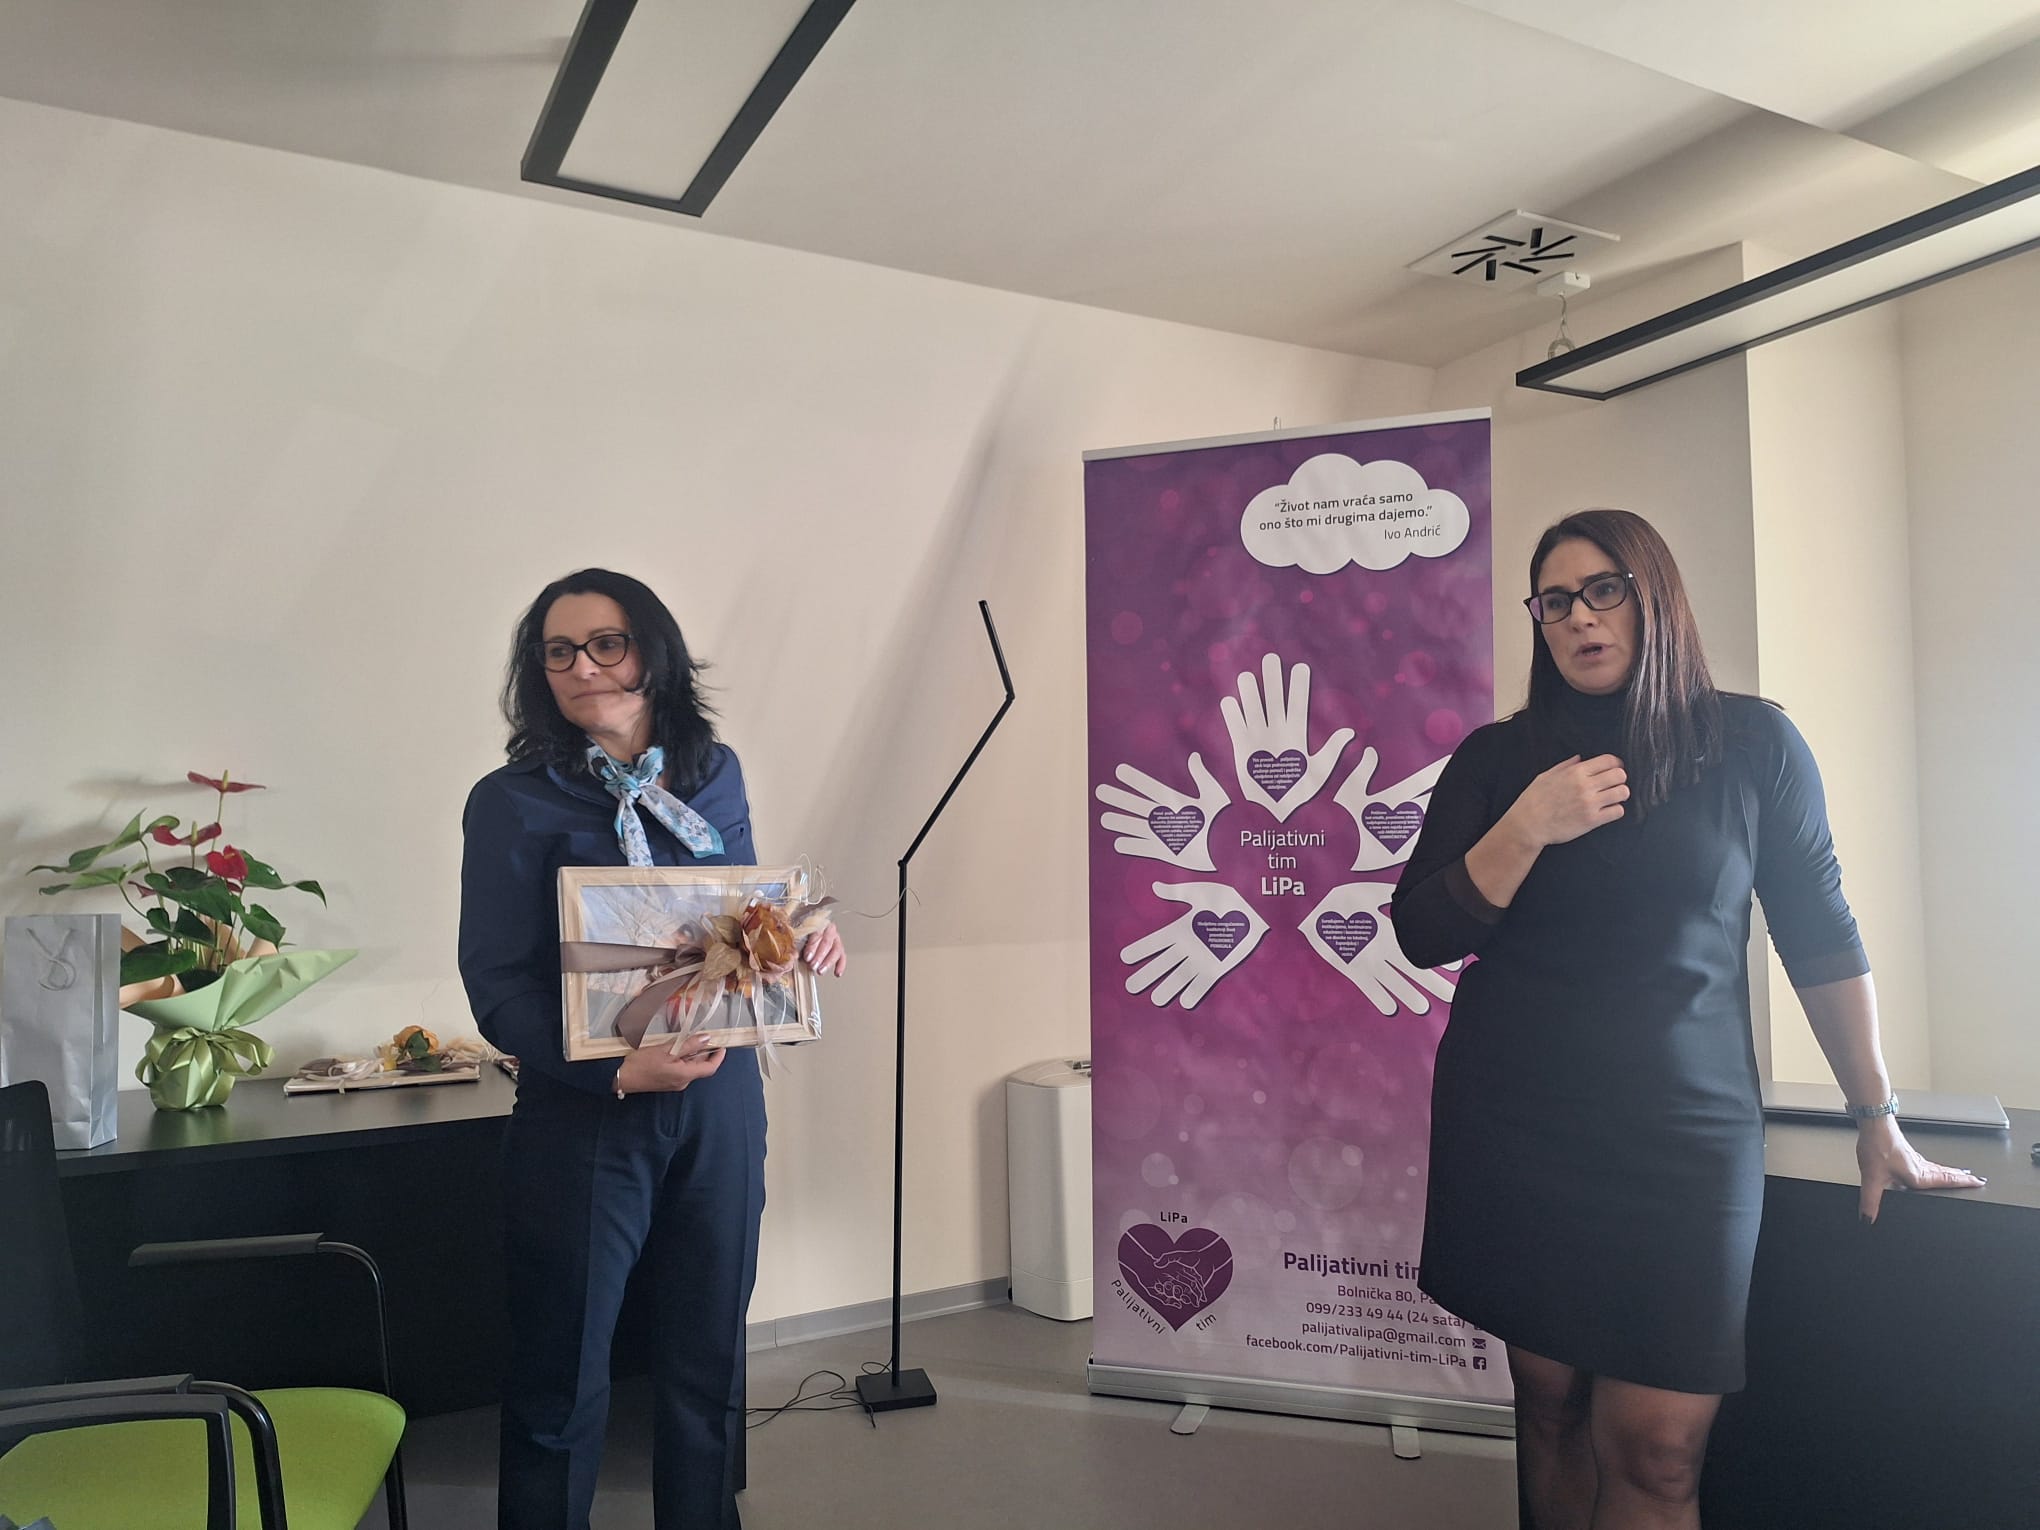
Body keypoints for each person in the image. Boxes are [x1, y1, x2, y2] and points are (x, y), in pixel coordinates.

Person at [1390, 510, 1981, 1530]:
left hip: (1683, 1137)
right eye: (1555, 601)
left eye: (1603, 590)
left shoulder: (1752, 744)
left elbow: (1820, 934)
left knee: (1659, 1451)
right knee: (1551, 1409)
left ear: (1654, 595)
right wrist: (1528, 826)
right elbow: (1422, 932)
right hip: (1517, 1123)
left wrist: (1875, 1114)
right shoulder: (1499, 759)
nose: (1580, 618)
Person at [458, 568, 846, 1530]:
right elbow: (496, 983)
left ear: (653, 653)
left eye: (607, 643)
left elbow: (740, 921)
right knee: (561, 1373)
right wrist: (610, 1070)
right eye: (559, 651)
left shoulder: (715, 774)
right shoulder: (510, 801)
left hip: (720, 1105)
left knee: (708, 1361)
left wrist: (800, 934)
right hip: (585, 1115)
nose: (582, 666)